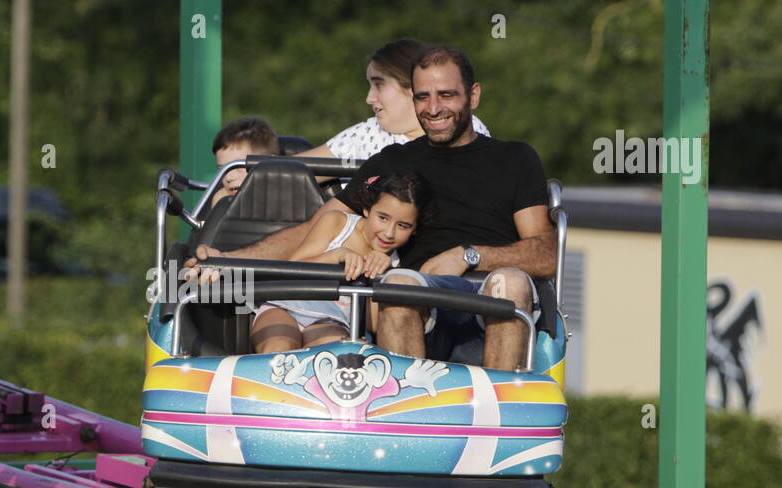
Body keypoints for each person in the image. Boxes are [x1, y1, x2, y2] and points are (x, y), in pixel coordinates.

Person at [195, 44, 556, 371]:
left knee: (509, 281)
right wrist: (227, 260)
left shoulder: (514, 158)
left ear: (473, 96)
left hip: (485, 292)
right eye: (423, 97)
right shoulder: (392, 161)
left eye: (446, 95)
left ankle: (498, 415)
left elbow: (546, 253)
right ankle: (408, 418)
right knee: (397, 283)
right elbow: (315, 229)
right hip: (419, 297)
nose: (433, 108)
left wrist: (469, 256)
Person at [251, 170, 427, 354]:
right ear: (367, 209)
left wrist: (378, 275)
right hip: (287, 306)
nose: (389, 233)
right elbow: (295, 267)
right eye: (383, 218)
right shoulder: (337, 222)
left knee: (330, 355)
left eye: (402, 226)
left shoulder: (394, 264)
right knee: (278, 348)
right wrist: (335, 256)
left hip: (334, 321)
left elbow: (375, 325)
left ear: (414, 229)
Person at [295, 38, 490, 161]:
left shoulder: (467, 128)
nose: (369, 99)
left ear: (414, 87)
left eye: (379, 85)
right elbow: (286, 171)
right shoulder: (366, 135)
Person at [210, 116, 280, 202]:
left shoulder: (288, 197)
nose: (228, 178)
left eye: (237, 166)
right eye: (222, 169)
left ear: (270, 164)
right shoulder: (221, 200)